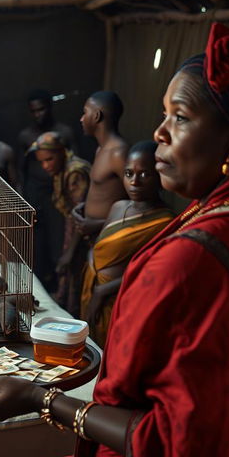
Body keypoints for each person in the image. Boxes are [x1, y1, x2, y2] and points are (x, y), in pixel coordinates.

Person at [0, 22, 229, 457]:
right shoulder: (224, 226)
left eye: (179, 118)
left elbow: (165, 437)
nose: (159, 132)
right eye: (163, 115)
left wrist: (38, 397)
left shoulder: (188, 261)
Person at [81, 140, 173, 347]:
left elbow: (149, 273)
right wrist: (93, 269)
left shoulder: (165, 222)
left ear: (159, 176)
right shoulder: (118, 206)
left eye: (144, 174)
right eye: (129, 173)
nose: (134, 182)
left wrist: (103, 291)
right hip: (93, 288)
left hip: (120, 299)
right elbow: (100, 245)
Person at [29, 131, 91, 318]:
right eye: (41, 162)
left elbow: (81, 215)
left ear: (62, 152)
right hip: (71, 226)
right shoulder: (60, 170)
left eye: (49, 159)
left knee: (75, 272)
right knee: (66, 272)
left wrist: (70, 252)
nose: (45, 166)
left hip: (84, 231)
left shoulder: (74, 172)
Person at [19, 91, 75, 291]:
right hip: (34, 194)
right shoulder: (26, 136)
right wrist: (24, 200)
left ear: (50, 107)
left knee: (58, 241)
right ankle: (39, 289)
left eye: (41, 109)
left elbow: (72, 164)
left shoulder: (64, 133)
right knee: (36, 244)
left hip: (57, 194)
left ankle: (58, 288)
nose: (38, 114)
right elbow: (21, 170)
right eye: (34, 111)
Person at [72, 91, 129, 243]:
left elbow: (139, 204)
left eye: (85, 113)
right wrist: (86, 207)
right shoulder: (101, 149)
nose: (81, 119)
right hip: (94, 239)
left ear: (96, 116)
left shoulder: (118, 153)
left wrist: (97, 225)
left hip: (111, 239)